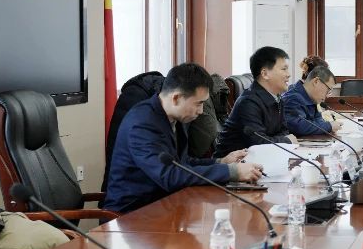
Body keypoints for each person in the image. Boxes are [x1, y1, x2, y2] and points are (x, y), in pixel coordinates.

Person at [103, 63, 264, 215]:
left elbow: (182, 163)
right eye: (198, 104)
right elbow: (169, 176)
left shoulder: (175, 117)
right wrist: (232, 172)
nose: (201, 111)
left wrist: (221, 162)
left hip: (163, 205)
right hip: (131, 215)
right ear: (176, 98)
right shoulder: (142, 123)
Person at [216, 46, 295, 156]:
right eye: (284, 69)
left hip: (263, 158)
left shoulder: (277, 97)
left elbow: (283, 131)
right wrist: (287, 141)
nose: (288, 74)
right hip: (232, 163)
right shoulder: (248, 102)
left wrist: (283, 139)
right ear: (265, 74)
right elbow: (258, 143)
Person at [283, 64, 340, 137]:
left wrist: (326, 127)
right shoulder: (293, 97)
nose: (327, 95)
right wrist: (329, 126)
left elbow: (318, 120)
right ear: (316, 81)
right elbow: (298, 127)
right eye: (328, 90)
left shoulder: (311, 98)